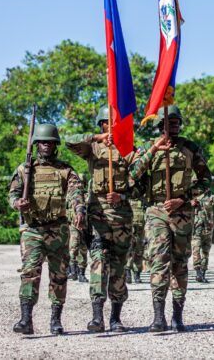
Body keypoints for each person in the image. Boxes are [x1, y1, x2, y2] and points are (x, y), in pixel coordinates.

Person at [129, 105, 212, 333]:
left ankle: (177, 316)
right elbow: (131, 176)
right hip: (156, 210)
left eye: (176, 122)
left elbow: (206, 179)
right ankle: (158, 317)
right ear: (160, 126)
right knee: (158, 261)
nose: (173, 125)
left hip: (182, 211)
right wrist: (154, 150)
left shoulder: (190, 148)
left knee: (179, 263)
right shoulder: (148, 148)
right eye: (169, 122)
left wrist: (183, 198)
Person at [64, 106, 138, 332]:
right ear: (101, 125)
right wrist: (96, 138)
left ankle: (116, 319)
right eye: (106, 123)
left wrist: (123, 194)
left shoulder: (130, 150)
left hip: (122, 220)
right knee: (98, 265)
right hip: (98, 218)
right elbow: (69, 141)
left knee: (118, 269)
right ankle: (97, 317)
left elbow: (141, 186)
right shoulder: (93, 149)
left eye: (113, 123)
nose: (110, 126)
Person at [10, 123, 85, 335]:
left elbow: (76, 193)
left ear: (55, 146)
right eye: (42, 142)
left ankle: (55, 320)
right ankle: (26, 320)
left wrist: (79, 210)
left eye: (50, 143)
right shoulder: (25, 170)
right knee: (29, 272)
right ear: (36, 145)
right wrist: (18, 204)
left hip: (58, 230)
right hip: (32, 229)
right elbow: (13, 195)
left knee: (59, 275)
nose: (46, 146)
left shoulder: (65, 170)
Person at [191, 190, 214, 283]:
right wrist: (190, 203)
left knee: (205, 251)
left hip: (208, 228)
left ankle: (203, 273)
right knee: (196, 249)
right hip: (195, 228)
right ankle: (197, 271)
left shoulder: (211, 194)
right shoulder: (190, 194)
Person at [67, 200, 89, 283]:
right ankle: (73, 272)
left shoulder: (85, 193)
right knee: (73, 247)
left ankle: (81, 274)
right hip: (73, 225)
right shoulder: (69, 192)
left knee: (83, 249)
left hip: (85, 226)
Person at [125, 198, 146, 284]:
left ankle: (137, 273)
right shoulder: (127, 198)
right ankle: (127, 272)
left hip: (141, 228)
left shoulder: (143, 199)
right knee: (130, 250)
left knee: (139, 251)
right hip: (130, 227)